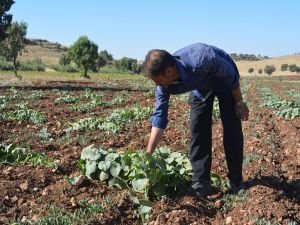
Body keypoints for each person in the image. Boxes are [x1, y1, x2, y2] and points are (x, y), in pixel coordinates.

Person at [142, 43, 249, 196]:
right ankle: (201, 182)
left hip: (224, 81)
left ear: (169, 71)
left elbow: (230, 76)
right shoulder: (163, 86)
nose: (156, 85)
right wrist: (148, 154)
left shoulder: (203, 58)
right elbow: (160, 117)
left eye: (158, 80)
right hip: (200, 87)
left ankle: (236, 181)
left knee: (232, 128)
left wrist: (239, 102)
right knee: (198, 128)